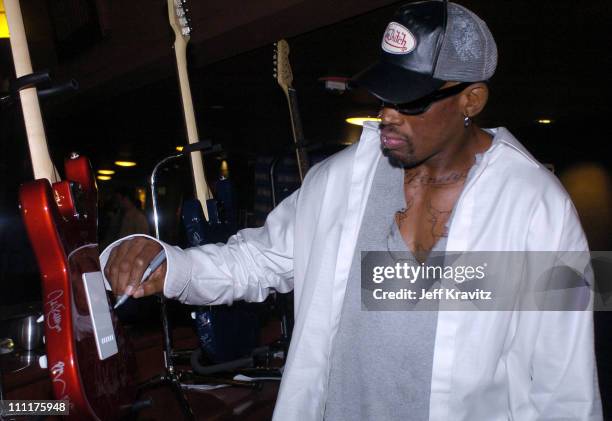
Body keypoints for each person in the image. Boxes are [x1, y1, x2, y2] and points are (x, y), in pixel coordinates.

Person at [103, 1, 602, 420]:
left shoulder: (538, 205)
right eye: (384, 95)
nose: (386, 114)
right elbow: (261, 260)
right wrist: (173, 264)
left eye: (409, 102)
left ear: (471, 99)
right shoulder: (339, 181)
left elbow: (564, 379)